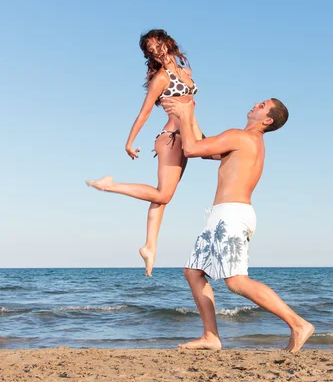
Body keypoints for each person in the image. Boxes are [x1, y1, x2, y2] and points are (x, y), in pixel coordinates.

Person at [162, 97, 315, 353]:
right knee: (193, 271)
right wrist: (189, 113)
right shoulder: (245, 140)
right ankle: (211, 336)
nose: (256, 104)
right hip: (225, 214)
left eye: (263, 105)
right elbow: (204, 146)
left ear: (267, 119)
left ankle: (298, 324)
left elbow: (190, 148)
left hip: (230, 216)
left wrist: (185, 113)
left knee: (236, 281)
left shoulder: (242, 137)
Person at [86, 29, 203, 276]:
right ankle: (110, 185)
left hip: (187, 137)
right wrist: (129, 142)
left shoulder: (186, 73)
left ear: (168, 43)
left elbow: (191, 112)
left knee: (162, 199)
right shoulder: (161, 78)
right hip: (171, 139)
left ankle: (150, 247)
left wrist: (201, 138)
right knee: (163, 194)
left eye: (156, 46)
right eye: (149, 50)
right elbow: (145, 112)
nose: (154, 52)